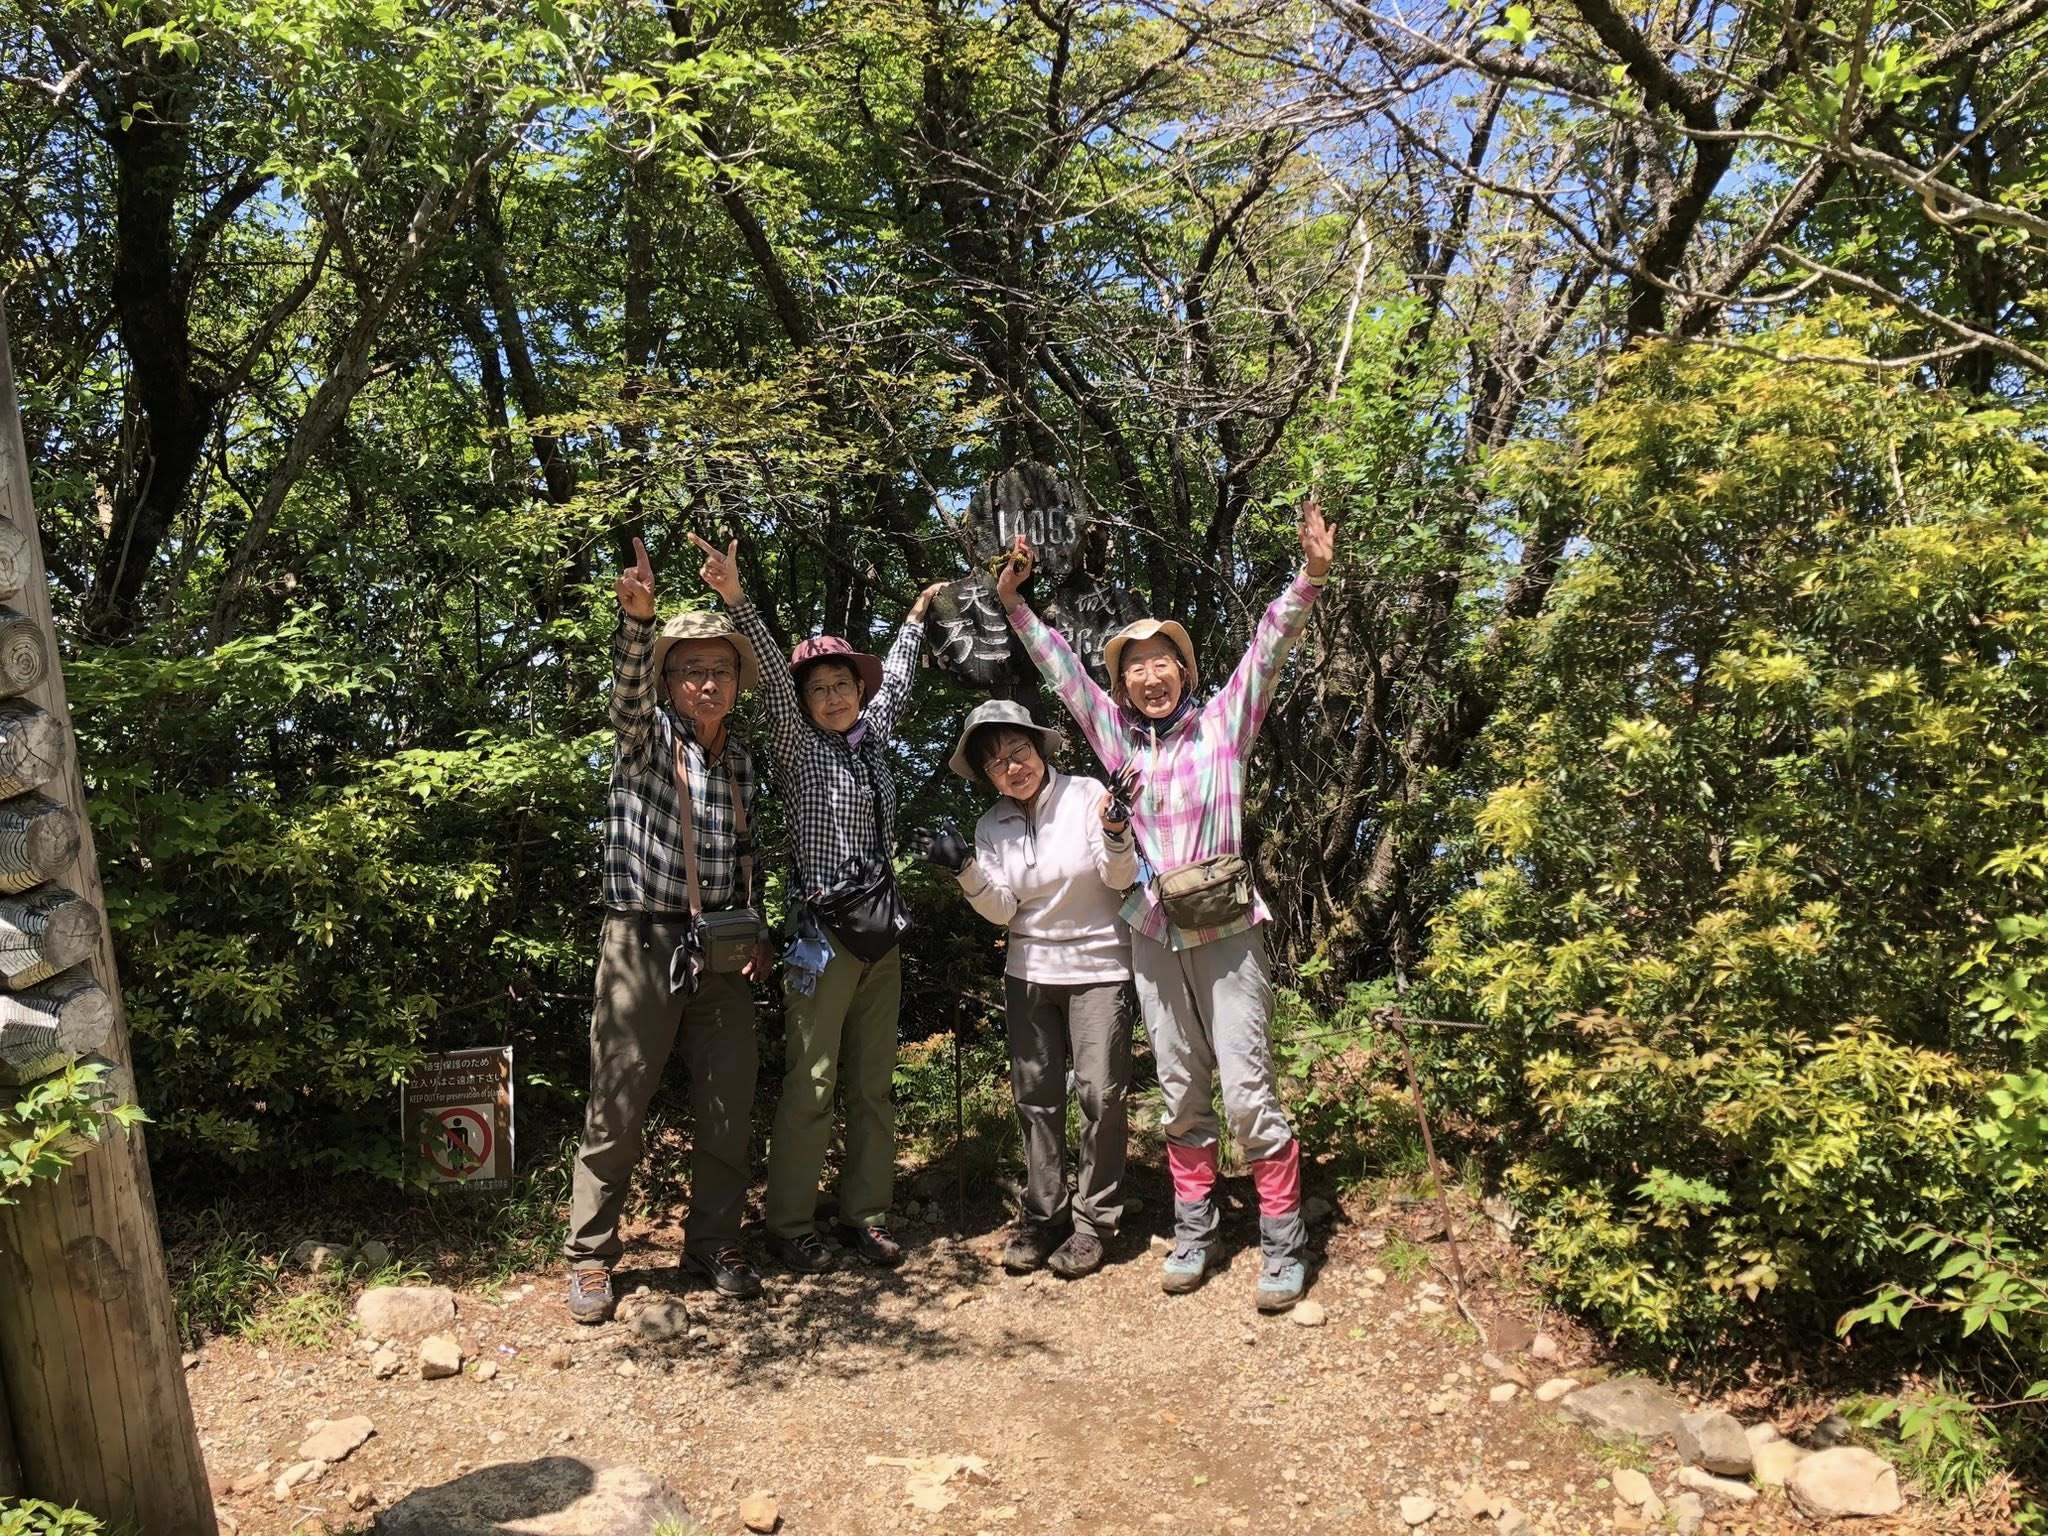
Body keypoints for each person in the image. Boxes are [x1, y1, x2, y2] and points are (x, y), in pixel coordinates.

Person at [991, 500, 1338, 1312]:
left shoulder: (1224, 727)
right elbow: (1063, 675)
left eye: (1163, 663)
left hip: (1227, 928)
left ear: (1185, 671)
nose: (1150, 677)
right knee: (1180, 1088)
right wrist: (1015, 604)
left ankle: (1283, 1243)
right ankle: (1195, 1232)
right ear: (1122, 685)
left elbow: (1269, 648)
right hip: (1152, 931)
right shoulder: (1115, 740)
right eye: (1135, 668)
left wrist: (1311, 576)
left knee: (1247, 1089)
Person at [691, 532, 946, 1274]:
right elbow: (772, 673)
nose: (833, 697)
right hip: (822, 935)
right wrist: (736, 597)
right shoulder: (798, 748)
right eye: (819, 689)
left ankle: (867, 1214)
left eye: (843, 685)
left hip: (881, 932)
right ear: (803, 703)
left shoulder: (873, 740)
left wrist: (914, 618)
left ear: (857, 693)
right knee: (812, 1081)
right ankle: (791, 1222)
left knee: (872, 1085)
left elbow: (898, 682)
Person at [564, 537, 777, 1324]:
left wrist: (758, 930)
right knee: (618, 1105)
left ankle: (714, 1243)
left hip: (722, 949)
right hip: (642, 944)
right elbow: (624, 701)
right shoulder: (647, 741)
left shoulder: (740, 760)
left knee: (727, 1105)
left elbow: (748, 852)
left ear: (736, 683)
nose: (707, 682)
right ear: (668, 681)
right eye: (690, 670)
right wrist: (637, 623)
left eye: (719, 669)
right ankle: (590, 1256)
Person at [921, 701, 1141, 1279]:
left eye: (1018, 751)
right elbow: (1001, 909)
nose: (1011, 767)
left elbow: (1119, 876)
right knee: (1035, 1098)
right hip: (1028, 970)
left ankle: (1094, 1224)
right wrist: (965, 868)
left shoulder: (1086, 795)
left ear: (1039, 748)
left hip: (1099, 965)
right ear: (986, 775)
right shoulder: (990, 824)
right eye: (995, 763)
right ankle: (1045, 1215)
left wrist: (1116, 830)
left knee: (1101, 1095)